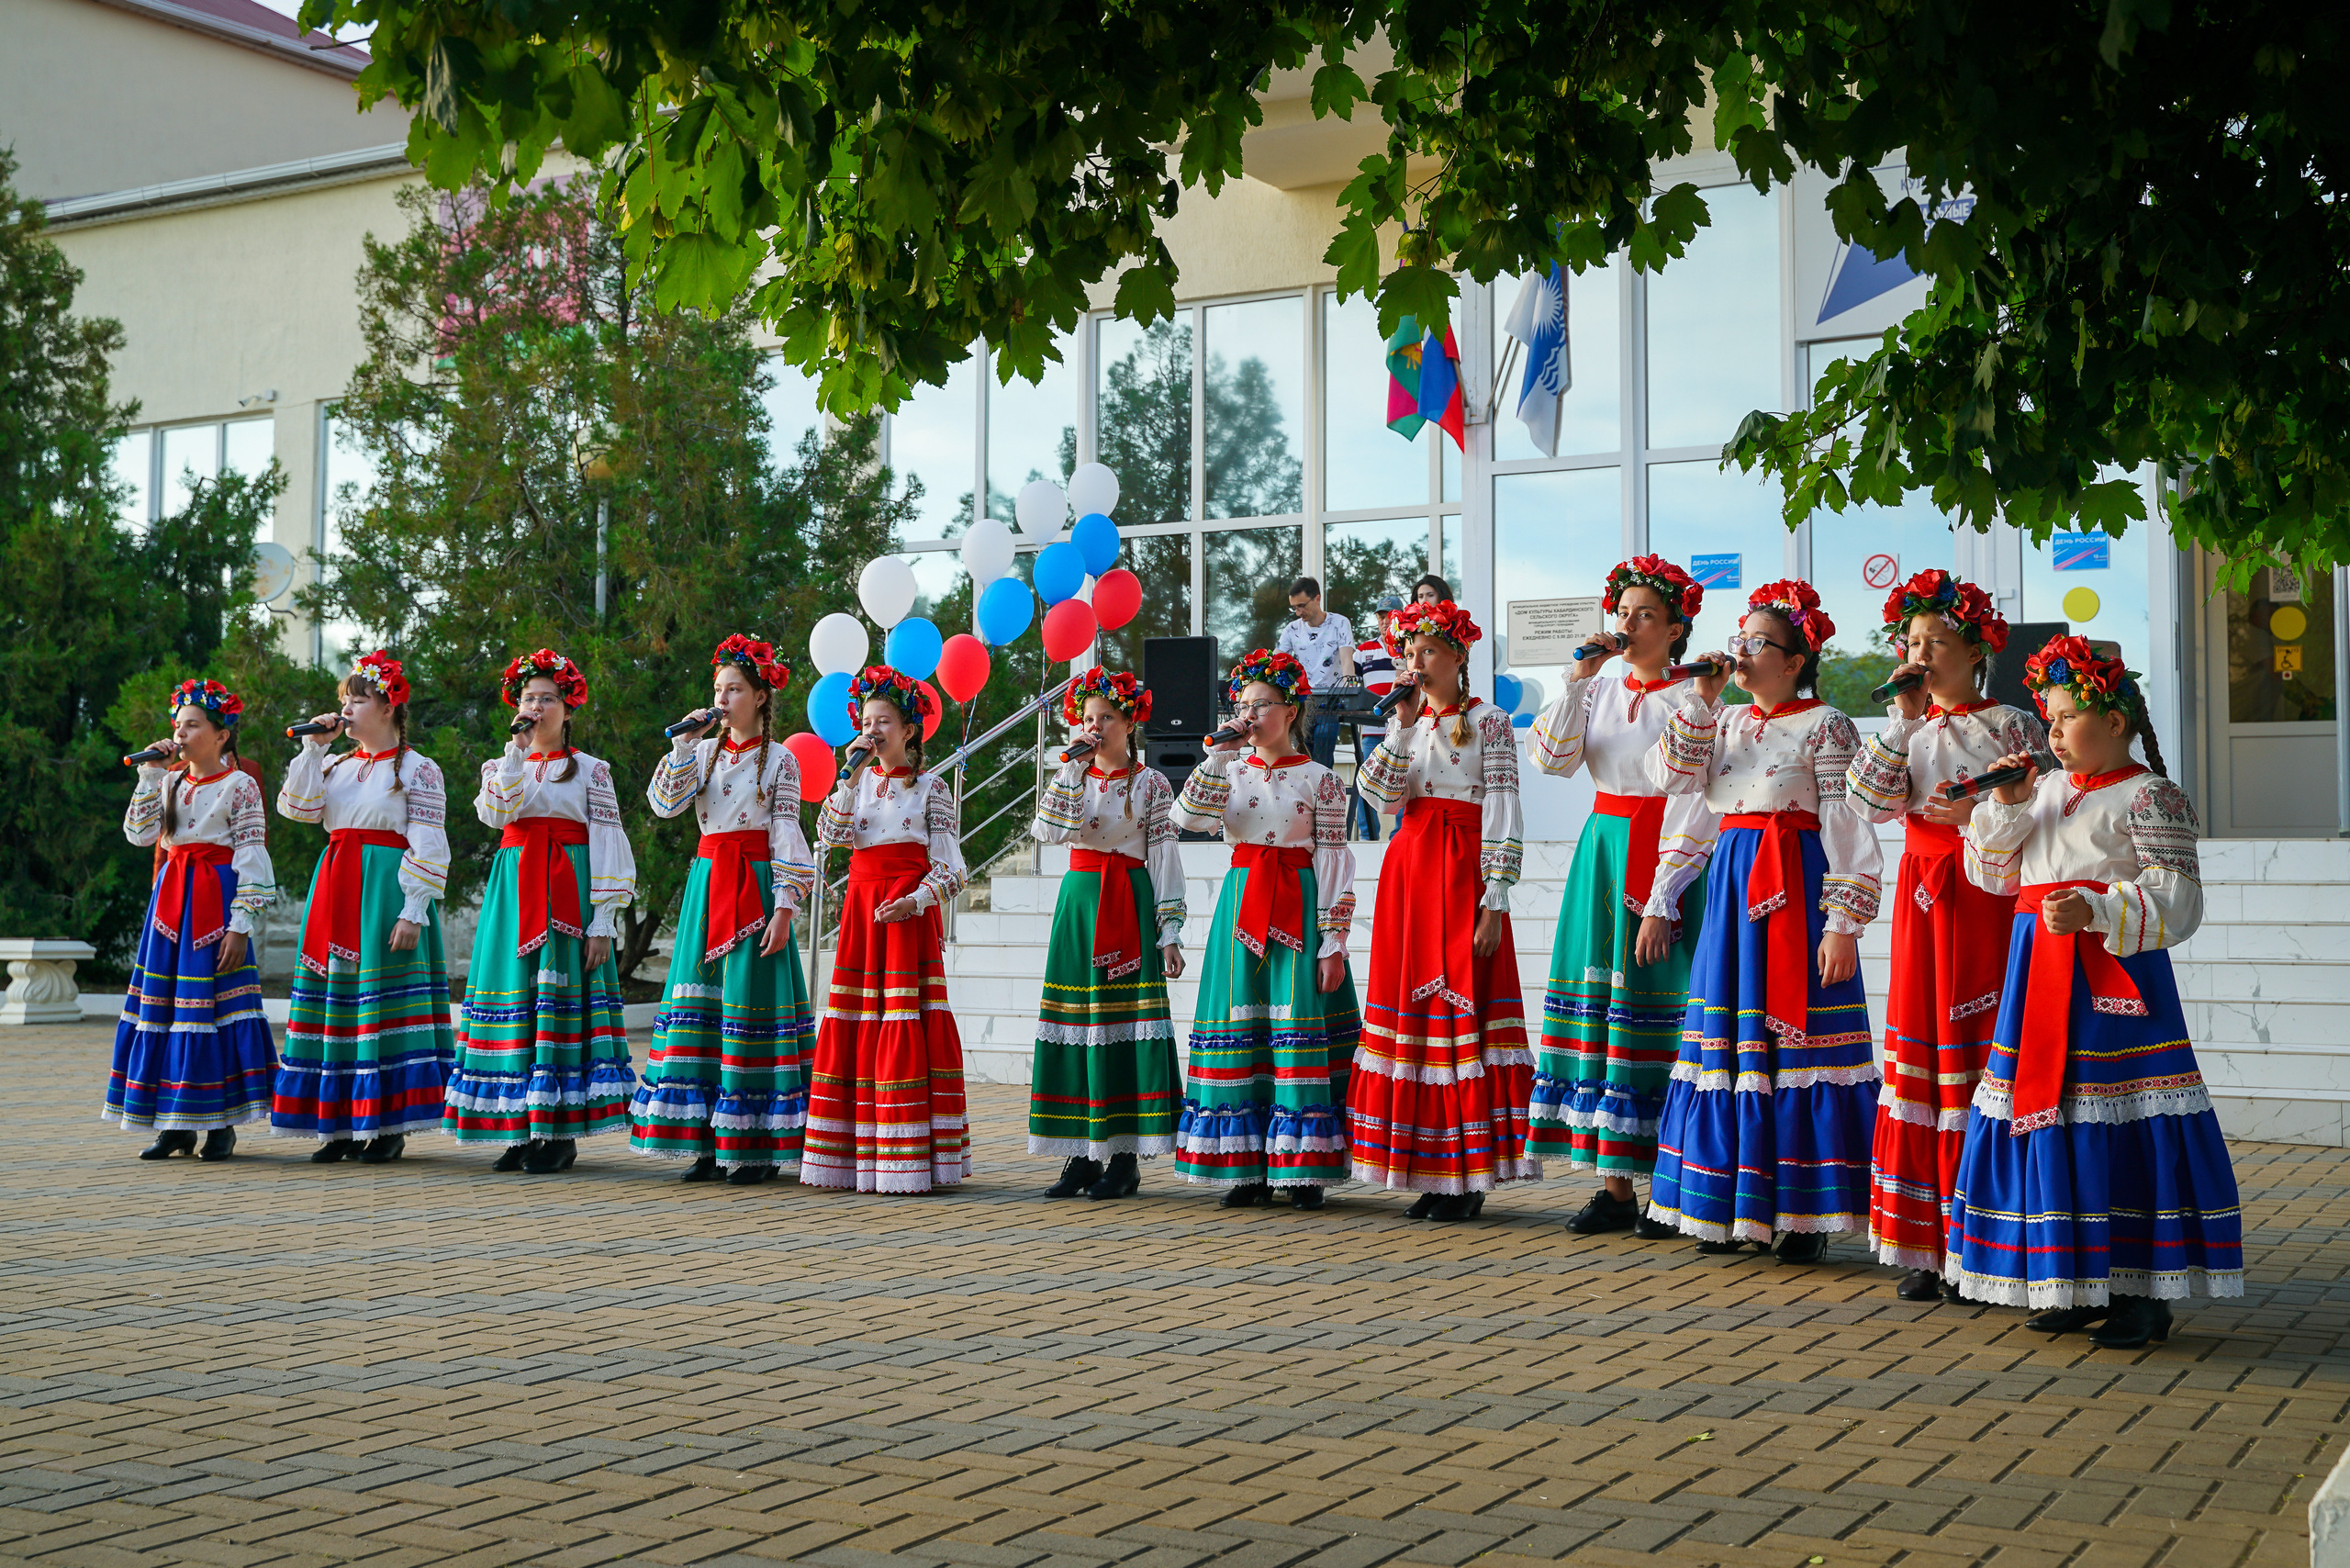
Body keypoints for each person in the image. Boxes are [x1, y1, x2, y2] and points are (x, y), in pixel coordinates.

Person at [1945, 636, 2243, 1348]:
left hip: (2113, 986)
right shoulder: (2044, 789)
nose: (2052, 732)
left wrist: (2101, 910)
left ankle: (2142, 1290)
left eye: (2069, 716)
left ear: (2116, 721)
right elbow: (1990, 874)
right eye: (2048, 718)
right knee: (2050, 1115)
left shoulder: (2151, 795)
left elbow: (2179, 899)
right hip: (2036, 976)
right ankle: (2073, 1279)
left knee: (2117, 1117)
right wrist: (2008, 804)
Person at [1644, 580, 1883, 1261]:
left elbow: (1847, 826)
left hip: (1797, 882)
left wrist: (1842, 922)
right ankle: (1726, 1209)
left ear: (1795, 659)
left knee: (1799, 1042)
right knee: (1727, 1045)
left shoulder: (1827, 724)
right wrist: (1665, 896)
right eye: (1739, 638)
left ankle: (1802, 1216)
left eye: (1759, 643)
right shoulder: (1719, 718)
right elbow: (1676, 786)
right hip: (1732, 884)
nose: (1742, 652)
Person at [1845, 572, 2047, 1301]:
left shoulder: (2013, 725)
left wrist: (1979, 820)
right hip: (1923, 895)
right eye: (1912, 640)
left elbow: (2043, 808)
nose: (1921, 652)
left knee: (1982, 1051)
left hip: (1988, 893)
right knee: (1925, 1057)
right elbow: (1866, 804)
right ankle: (1927, 1244)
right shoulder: (1910, 728)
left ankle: (1986, 1241)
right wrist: (1900, 719)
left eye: (1936, 641)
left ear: (1975, 649)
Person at [1527, 557, 1718, 1235]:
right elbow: (1550, 760)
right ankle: (1614, 1187)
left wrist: (1666, 891)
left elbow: (1694, 793)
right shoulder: (1600, 691)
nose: (1628, 625)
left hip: (1667, 848)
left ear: (1675, 629)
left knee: (1664, 1010)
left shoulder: (1695, 699)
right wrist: (1575, 683)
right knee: (1602, 1006)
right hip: (1603, 849)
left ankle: (1671, 1183)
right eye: (1623, 612)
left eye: (1644, 615)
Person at [1349, 599, 1537, 1219]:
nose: (1416, 662)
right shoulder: (1410, 727)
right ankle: (1430, 1171)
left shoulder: (1492, 721)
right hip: (1412, 872)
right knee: (1416, 1017)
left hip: (1463, 873)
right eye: (1410, 652)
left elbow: (1505, 809)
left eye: (1428, 651)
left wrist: (1495, 901)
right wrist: (1401, 725)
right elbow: (1377, 798)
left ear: (1459, 656)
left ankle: (1469, 1176)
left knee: (1461, 1007)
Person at [1172, 648, 1360, 1210]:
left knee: (1295, 1019)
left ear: (1292, 710)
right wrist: (1213, 757)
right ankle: (1245, 1166)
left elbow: (1333, 858)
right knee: (1243, 1019)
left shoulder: (1322, 780)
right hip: (1243, 899)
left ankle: (1303, 1169)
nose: (1251, 714)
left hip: (1300, 905)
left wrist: (1334, 942)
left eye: (1264, 704)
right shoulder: (1227, 771)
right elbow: (1186, 821)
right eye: (1244, 703)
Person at [632, 635, 816, 1185]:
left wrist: (784, 908)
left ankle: (755, 1144)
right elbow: (665, 806)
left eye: (734, 689)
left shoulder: (781, 759)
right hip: (709, 882)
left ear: (760, 697)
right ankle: (708, 1143)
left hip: (755, 885)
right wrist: (684, 745)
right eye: (718, 689)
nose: (723, 698)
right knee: (705, 1006)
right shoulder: (704, 753)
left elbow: (786, 831)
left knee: (749, 1002)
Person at [446, 650, 638, 1173]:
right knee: (519, 1001)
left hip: (567, 893)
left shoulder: (592, 771)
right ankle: (521, 1128)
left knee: (557, 1004)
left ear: (567, 708)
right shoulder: (501, 766)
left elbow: (608, 841)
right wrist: (515, 754)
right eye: (529, 698)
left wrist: (603, 920)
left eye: (547, 699)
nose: (536, 706)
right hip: (514, 892)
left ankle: (560, 1132)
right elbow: (496, 814)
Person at [272, 652, 455, 1163]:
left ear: (389, 706)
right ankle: (337, 1125)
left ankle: (387, 1123)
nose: (347, 709)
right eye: (344, 700)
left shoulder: (418, 768)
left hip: (384, 893)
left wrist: (412, 910)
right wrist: (312, 750)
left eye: (359, 699)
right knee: (338, 1002)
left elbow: (429, 842)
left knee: (382, 1005)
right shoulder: (333, 765)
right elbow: (297, 809)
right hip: (336, 887)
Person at [806, 666, 971, 1193]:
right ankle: (852, 1158)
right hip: (862, 916)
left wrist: (916, 901)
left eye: (884, 722)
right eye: (867, 721)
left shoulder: (931, 790)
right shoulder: (855, 785)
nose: (873, 731)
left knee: (904, 1022)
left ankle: (908, 1157)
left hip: (905, 921)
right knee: (856, 1023)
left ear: (907, 729)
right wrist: (848, 779)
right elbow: (829, 836)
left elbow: (953, 870)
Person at [1027, 668, 1187, 1200]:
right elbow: (1049, 831)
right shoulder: (1070, 774)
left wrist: (1169, 932)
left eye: (1106, 718)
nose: (1095, 727)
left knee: (1120, 1025)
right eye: (1088, 718)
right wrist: (1071, 768)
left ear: (1129, 722)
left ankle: (1123, 1158)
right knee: (1077, 1026)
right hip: (1080, 903)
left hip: (1130, 901)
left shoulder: (1151, 784)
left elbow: (1165, 857)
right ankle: (1079, 1155)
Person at [111, 679, 278, 1159]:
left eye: (192, 725)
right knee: (165, 1009)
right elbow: (141, 836)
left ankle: (221, 1121)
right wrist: (148, 775)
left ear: (221, 734)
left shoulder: (240, 784)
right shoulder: (169, 781)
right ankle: (174, 1123)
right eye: (177, 725)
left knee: (213, 1008)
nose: (181, 734)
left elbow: (251, 854)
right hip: (172, 903)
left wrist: (240, 924)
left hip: (213, 899)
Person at [1275, 576, 1356, 771]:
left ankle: (1322, 795)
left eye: (1302, 605)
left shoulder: (1340, 623)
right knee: (1300, 755)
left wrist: (1351, 692)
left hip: (1331, 700)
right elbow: (1277, 662)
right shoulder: (1292, 629)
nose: (1298, 612)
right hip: (1302, 701)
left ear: (1317, 599)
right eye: (1294, 607)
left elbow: (1347, 661)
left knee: (1321, 756)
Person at [1348, 596, 1402, 842]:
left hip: (1402, 730)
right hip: (1370, 732)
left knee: (1403, 781)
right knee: (1366, 784)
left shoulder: (1408, 645)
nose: (1384, 620)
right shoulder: (1363, 651)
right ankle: (1369, 838)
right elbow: (1349, 684)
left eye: (1389, 615)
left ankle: (1399, 838)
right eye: (1380, 616)